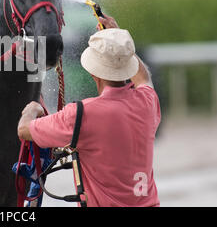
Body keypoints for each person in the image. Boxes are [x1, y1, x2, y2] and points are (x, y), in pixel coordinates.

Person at [17, 13, 161, 207]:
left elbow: (24, 130)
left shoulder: (81, 115)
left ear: (93, 72)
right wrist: (120, 44)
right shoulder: (147, 102)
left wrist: (32, 109)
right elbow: (144, 79)